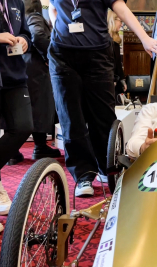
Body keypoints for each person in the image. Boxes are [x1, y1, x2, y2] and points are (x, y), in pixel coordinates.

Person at [48, 0, 157, 197]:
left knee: (102, 115)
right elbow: (53, 7)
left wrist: (144, 38)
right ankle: (83, 175)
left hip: (97, 54)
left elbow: (120, 8)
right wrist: (58, 28)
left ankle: (105, 166)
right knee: (70, 116)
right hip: (62, 55)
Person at [0, 0, 33, 230]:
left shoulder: (17, 3)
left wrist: (24, 41)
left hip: (14, 76)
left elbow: (25, 33)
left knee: (23, 126)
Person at [14, 0, 61, 160]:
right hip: (36, 70)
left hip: (23, 67)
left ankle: (13, 151)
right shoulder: (33, 15)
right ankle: (40, 147)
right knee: (39, 108)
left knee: (23, 110)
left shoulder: (17, 16)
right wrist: (50, 56)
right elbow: (38, 35)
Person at [107, 10, 127, 100]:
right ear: (113, 20)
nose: (121, 24)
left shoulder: (116, 41)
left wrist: (122, 80)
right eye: (120, 21)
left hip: (116, 83)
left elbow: (118, 64)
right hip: (108, 82)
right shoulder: (104, 42)